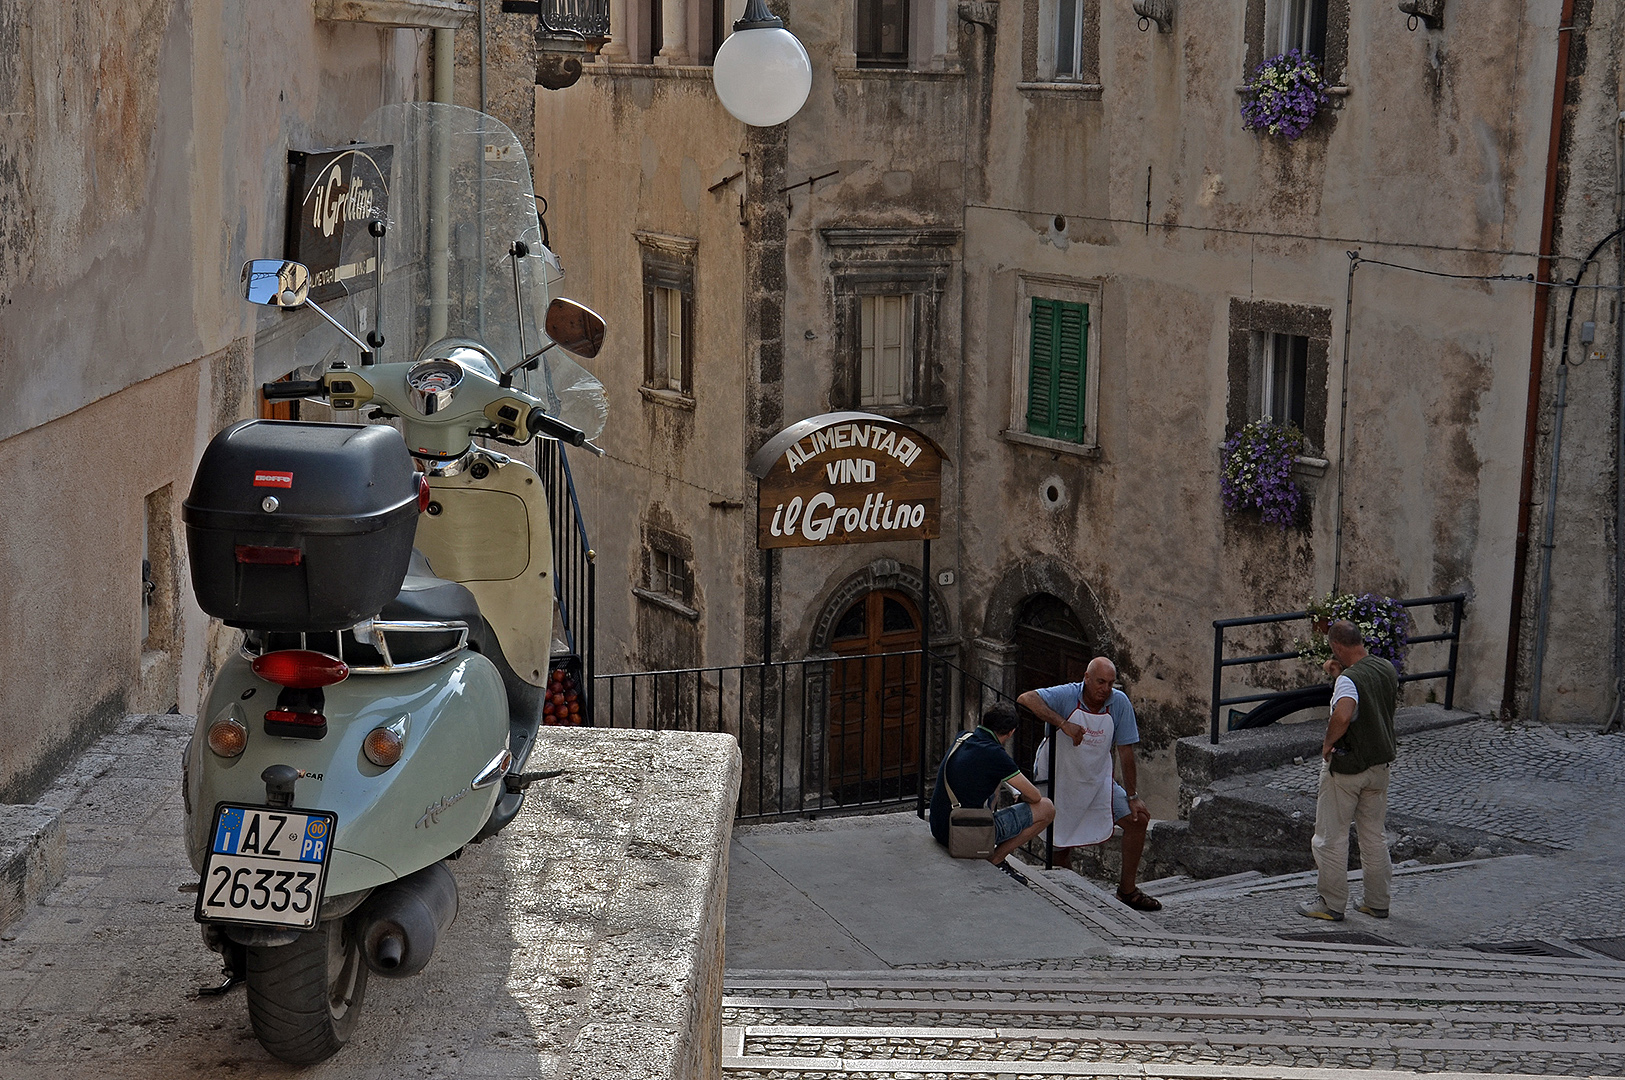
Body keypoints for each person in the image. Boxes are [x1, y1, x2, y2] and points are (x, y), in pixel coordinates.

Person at [1016, 658, 1161, 912]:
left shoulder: (1119, 704)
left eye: (1110, 683)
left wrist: (1133, 795)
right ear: (1086, 678)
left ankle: (1127, 890)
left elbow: (1126, 752)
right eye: (1100, 682)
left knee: (1138, 819)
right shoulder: (1068, 695)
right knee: (1060, 844)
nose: (1105, 689)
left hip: (1097, 779)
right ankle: (1070, 898)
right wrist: (1063, 724)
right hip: (1060, 779)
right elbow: (1026, 698)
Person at [1297, 618, 1399, 922]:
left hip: (1349, 767)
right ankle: (1377, 901)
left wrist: (1328, 743)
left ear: (1336, 646)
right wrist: (1341, 673)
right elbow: (1365, 697)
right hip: (1379, 764)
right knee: (1373, 836)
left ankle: (1330, 902)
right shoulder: (1385, 669)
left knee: (1331, 837)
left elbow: (1344, 713)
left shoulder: (1348, 681)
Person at [928, 702, 1056, 884]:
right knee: (1047, 808)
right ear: (1011, 732)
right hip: (961, 835)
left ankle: (989, 849)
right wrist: (1022, 797)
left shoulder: (963, 737)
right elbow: (1035, 796)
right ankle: (996, 859)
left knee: (995, 781)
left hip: (939, 827)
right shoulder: (996, 754)